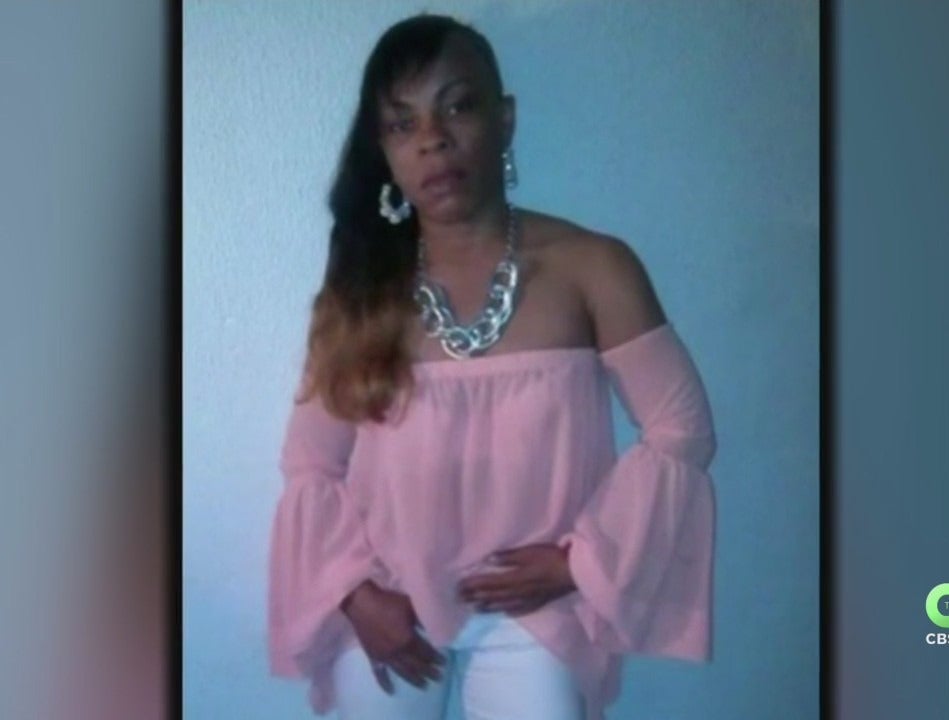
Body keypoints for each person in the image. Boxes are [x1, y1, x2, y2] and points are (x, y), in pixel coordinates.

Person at [268, 14, 717, 720]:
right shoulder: (361, 290)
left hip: (536, 615)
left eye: (457, 106)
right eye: (402, 123)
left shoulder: (594, 267)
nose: (433, 139)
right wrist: (353, 595)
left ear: (504, 120)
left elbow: (680, 430)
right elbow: (310, 464)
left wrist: (580, 563)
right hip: (391, 600)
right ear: (384, 151)